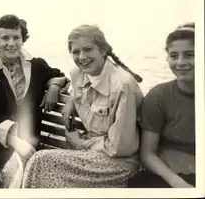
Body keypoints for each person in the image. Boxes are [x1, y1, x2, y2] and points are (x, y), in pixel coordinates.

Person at [21, 24, 144, 188]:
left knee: (40, 161)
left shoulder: (123, 86)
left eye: (88, 49)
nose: (82, 57)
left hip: (120, 164)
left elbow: (121, 147)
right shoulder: (79, 74)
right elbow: (82, 88)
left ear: (102, 50)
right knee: (38, 165)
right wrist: (71, 99)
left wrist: (81, 144)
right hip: (92, 155)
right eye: (76, 52)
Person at [0, 14, 70, 187]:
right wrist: (14, 141)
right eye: (5, 38)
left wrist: (54, 87)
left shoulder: (37, 65)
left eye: (16, 37)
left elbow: (58, 75)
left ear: (23, 39)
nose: (11, 43)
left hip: (29, 138)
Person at [128, 23, 195, 188]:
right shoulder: (159, 96)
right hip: (168, 174)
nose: (180, 62)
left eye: (189, 55)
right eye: (173, 56)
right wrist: (177, 183)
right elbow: (148, 154)